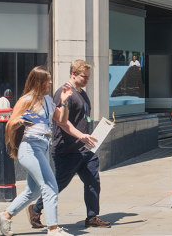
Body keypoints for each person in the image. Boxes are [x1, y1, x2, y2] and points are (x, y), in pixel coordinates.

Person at [29, 60, 109, 229]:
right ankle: (36, 209)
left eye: (88, 76)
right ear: (73, 74)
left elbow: (83, 118)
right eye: (83, 76)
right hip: (67, 149)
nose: (87, 79)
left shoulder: (82, 93)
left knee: (93, 180)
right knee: (58, 183)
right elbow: (62, 122)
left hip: (86, 148)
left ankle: (92, 216)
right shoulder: (64, 93)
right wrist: (80, 136)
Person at [0, 66, 69, 235]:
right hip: (30, 147)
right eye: (48, 79)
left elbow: (62, 120)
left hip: (42, 147)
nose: (50, 82)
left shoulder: (48, 100)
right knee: (50, 186)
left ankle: (5, 216)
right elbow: (10, 123)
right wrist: (22, 121)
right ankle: (53, 229)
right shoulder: (26, 100)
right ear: (39, 81)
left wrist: (63, 102)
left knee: (32, 191)